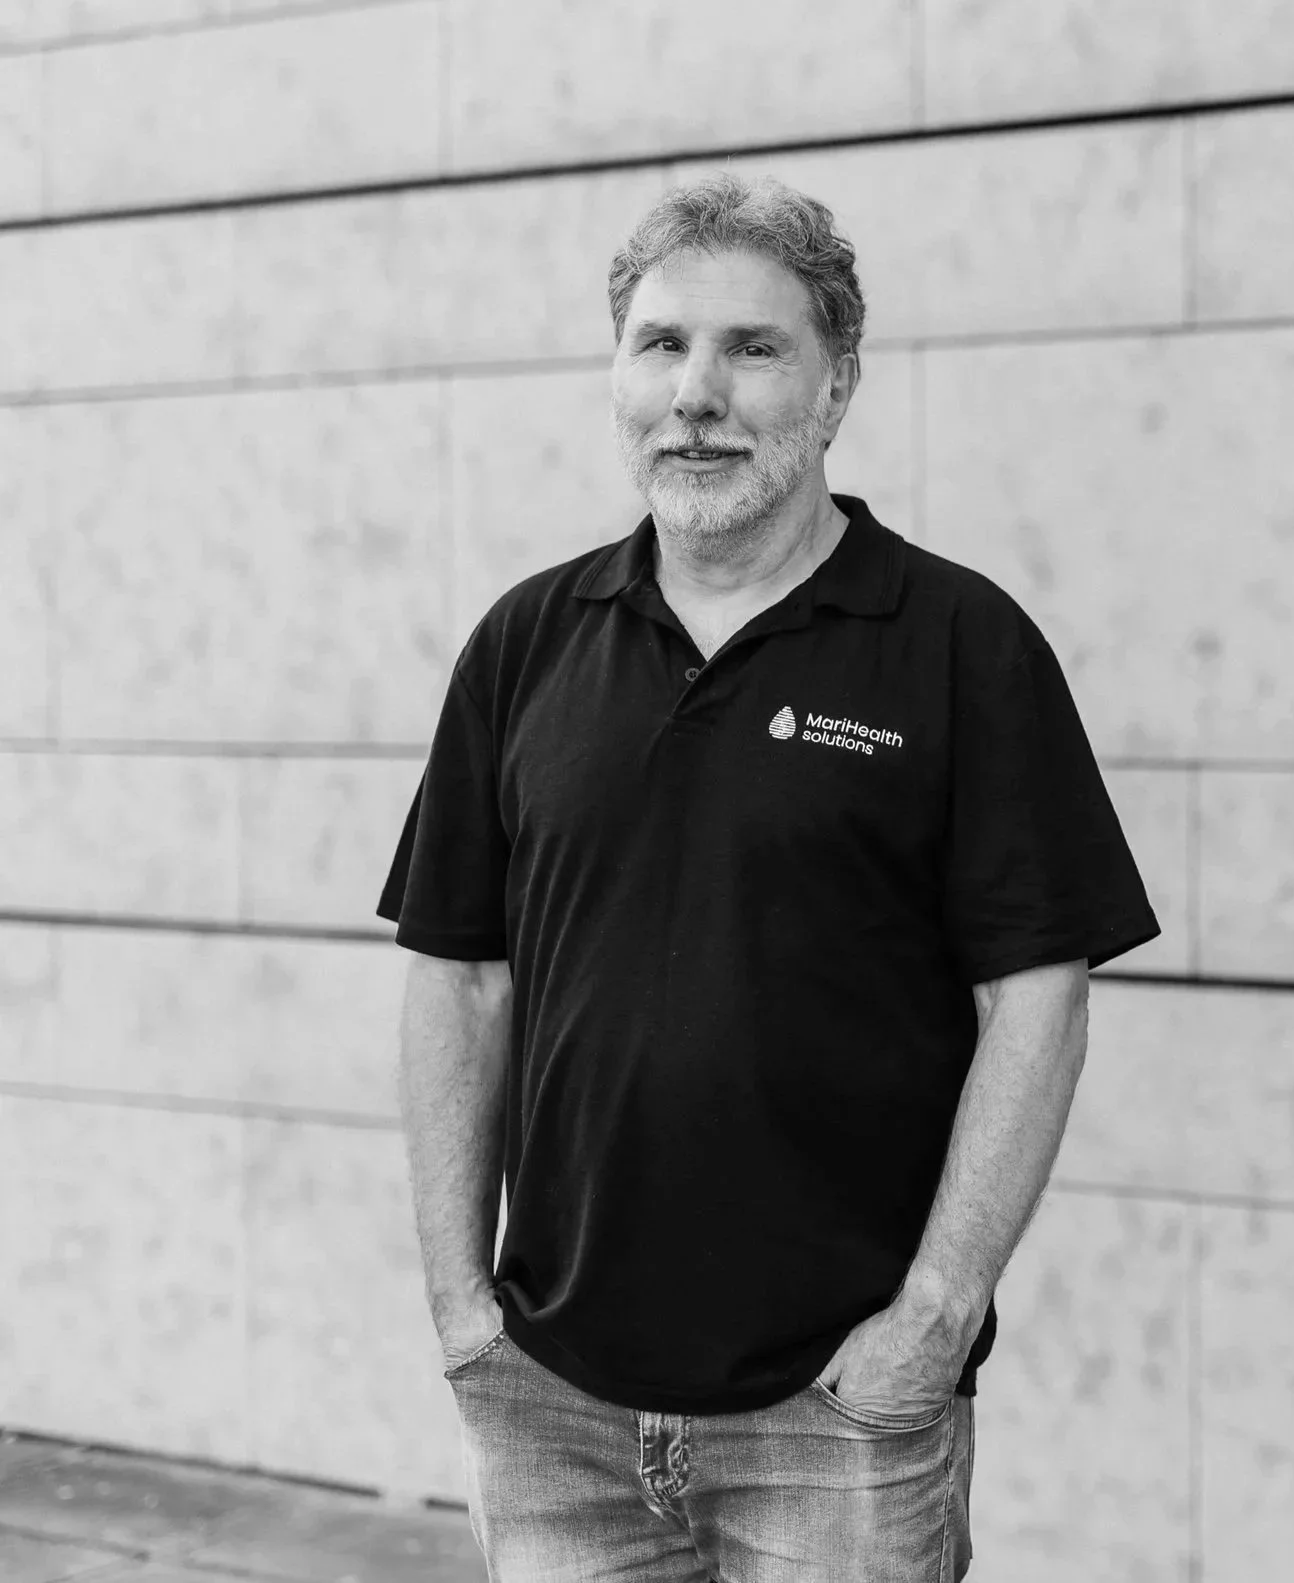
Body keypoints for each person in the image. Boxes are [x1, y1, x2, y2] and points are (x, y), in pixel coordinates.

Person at [376, 171, 1159, 1582]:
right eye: (660, 344)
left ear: (835, 383)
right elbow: (459, 974)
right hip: (551, 1402)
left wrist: (933, 1312)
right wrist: (458, 1305)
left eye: (753, 348)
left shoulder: (959, 647)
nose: (698, 393)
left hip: (837, 1413)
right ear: (617, 376)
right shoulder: (525, 645)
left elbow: (1035, 999)